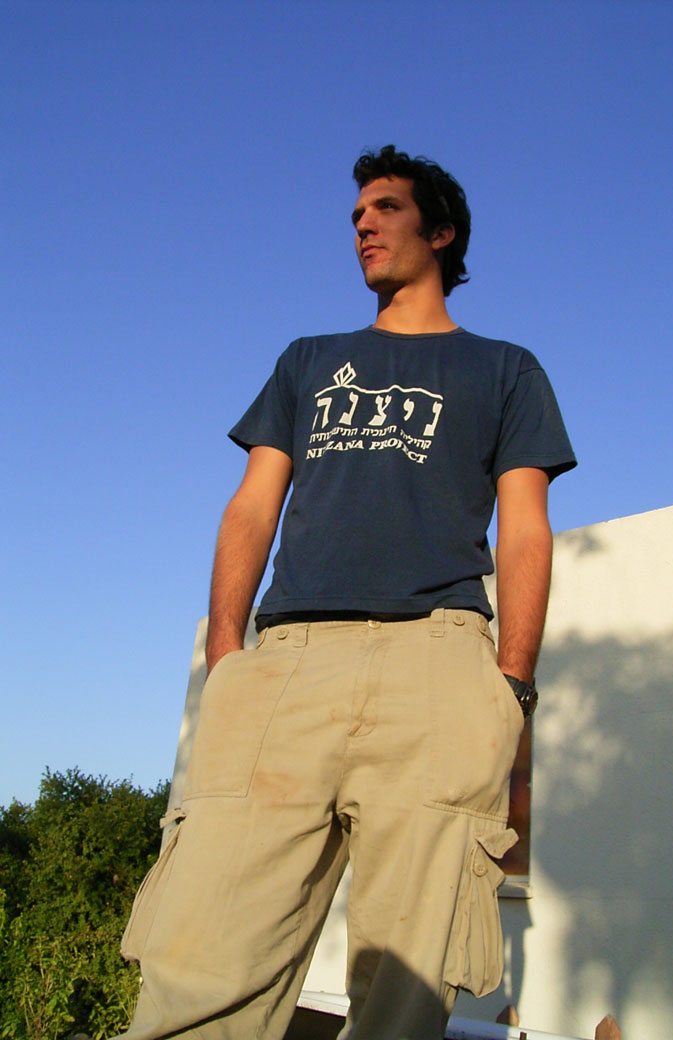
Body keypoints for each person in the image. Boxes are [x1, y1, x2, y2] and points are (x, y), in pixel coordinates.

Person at [115, 145, 576, 1040]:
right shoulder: (308, 359)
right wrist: (227, 659)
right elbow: (252, 507)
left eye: (386, 208)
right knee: (202, 963)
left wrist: (511, 685)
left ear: (439, 232)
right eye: (357, 213)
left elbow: (524, 527)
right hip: (288, 664)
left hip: (438, 667)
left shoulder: (507, 369)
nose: (362, 223)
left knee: (404, 993)